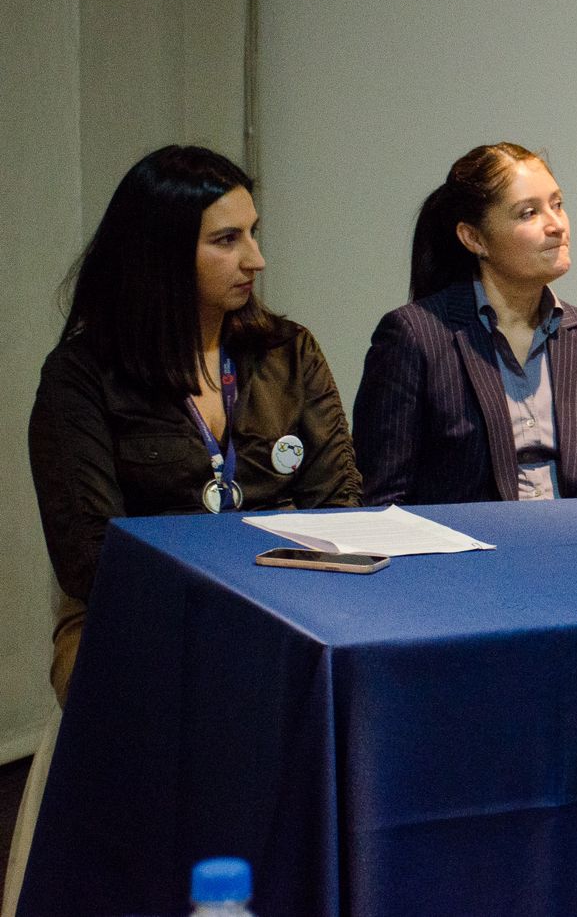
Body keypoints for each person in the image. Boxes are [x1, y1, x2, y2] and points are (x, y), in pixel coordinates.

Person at [28, 145, 361, 705]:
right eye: (227, 240)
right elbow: (93, 560)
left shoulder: (288, 352)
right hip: (138, 611)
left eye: (253, 233)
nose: (256, 260)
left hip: (290, 601)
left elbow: (339, 509)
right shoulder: (83, 373)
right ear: (160, 253)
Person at [354, 142, 577, 504]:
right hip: (462, 541)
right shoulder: (415, 335)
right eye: (528, 213)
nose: (556, 225)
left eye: (557, 204)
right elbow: (383, 500)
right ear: (474, 238)